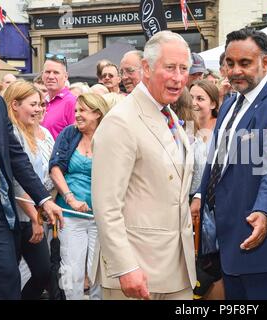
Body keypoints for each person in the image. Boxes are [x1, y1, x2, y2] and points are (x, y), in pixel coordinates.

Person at [197, 27, 267, 300]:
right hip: (227, 244)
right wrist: (200, 194)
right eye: (229, 63)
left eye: (244, 63)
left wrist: (265, 212)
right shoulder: (230, 103)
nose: (235, 71)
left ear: (265, 62)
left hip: (263, 250)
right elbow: (218, 157)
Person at [91, 30, 196, 300]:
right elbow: (106, 205)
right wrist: (126, 267)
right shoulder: (121, 121)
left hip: (175, 270)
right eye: (170, 67)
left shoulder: (168, 115)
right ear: (146, 68)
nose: (178, 77)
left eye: (184, 68)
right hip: (138, 274)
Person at [0, 39, 64, 300]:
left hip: (4, 211)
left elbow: (19, 162)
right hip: (18, 214)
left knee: (14, 275)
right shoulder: (4, 110)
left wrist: (46, 201)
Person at [49, 93, 109, 300]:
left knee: (99, 273)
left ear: (98, 114)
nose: (77, 115)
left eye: (82, 110)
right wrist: (70, 198)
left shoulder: (109, 138)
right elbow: (55, 167)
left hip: (99, 218)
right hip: (69, 215)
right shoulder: (69, 133)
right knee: (71, 271)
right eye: (76, 110)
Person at [3, 80, 51, 300]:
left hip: (32, 216)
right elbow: (17, 183)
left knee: (43, 273)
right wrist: (35, 219)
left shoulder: (32, 132)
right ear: (14, 105)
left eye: (40, 104)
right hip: (15, 219)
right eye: (33, 104)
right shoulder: (11, 134)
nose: (39, 109)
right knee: (9, 276)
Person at [188, 79, 223, 300]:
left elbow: (219, 171)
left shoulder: (222, 131)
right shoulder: (183, 128)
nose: (194, 103)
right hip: (185, 206)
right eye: (191, 97)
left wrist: (200, 196)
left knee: (210, 266)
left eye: (200, 98)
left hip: (211, 206)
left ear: (213, 103)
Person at [41, 54, 77, 140]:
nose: (51, 76)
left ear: (65, 76)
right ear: (42, 75)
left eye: (56, 73)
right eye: (48, 72)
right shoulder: (40, 101)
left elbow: (75, 139)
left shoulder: (72, 102)